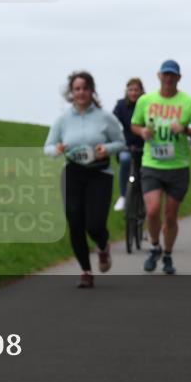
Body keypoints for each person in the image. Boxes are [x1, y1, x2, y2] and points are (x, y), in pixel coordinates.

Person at [44, 71, 126, 288]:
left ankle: (102, 246)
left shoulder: (105, 117)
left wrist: (106, 149)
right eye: (77, 89)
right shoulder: (62, 120)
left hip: (99, 173)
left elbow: (120, 142)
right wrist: (58, 149)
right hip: (73, 173)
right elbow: (48, 148)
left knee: (95, 223)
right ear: (72, 93)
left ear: (92, 91)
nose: (81, 93)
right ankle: (86, 271)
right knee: (75, 222)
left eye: (85, 88)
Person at [131, 59, 191, 275]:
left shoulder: (189, 102)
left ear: (179, 78)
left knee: (171, 216)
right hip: (152, 163)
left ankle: (168, 254)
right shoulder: (145, 100)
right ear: (159, 76)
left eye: (173, 75)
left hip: (178, 166)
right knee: (153, 211)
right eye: (165, 74)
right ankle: (155, 246)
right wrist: (142, 132)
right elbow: (135, 124)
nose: (169, 78)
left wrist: (184, 129)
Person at [112, 78, 145, 211]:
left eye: (136, 90)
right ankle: (123, 196)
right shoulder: (120, 105)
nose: (133, 93)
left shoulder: (146, 104)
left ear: (141, 91)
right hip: (126, 145)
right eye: (131, 90)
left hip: (144, 146)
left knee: (145, 170)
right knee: (125, 160)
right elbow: (112, 122)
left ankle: (144, 198)